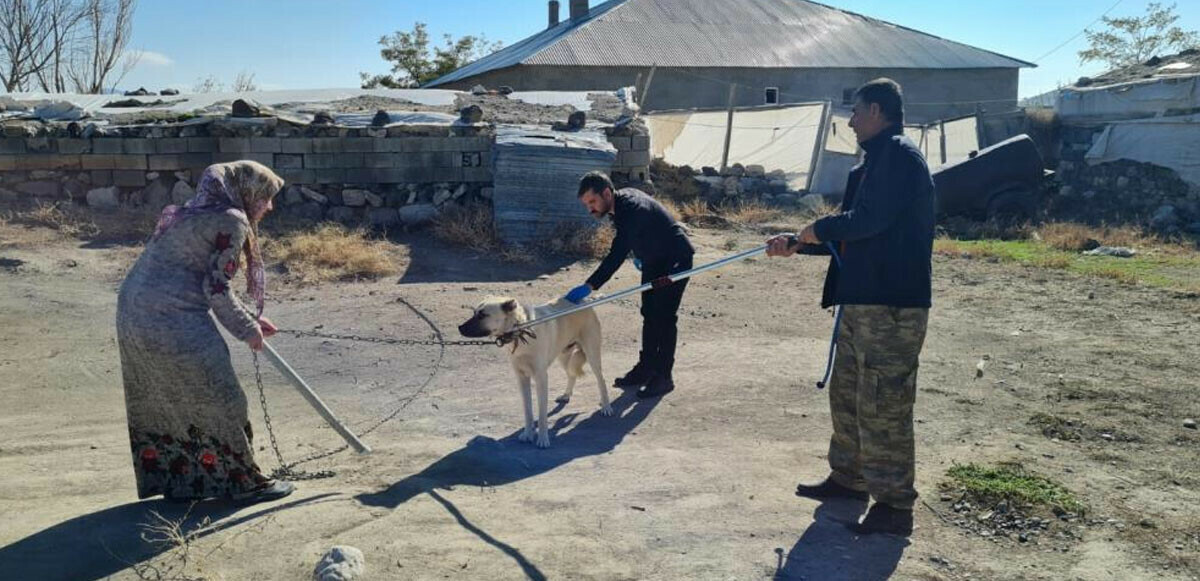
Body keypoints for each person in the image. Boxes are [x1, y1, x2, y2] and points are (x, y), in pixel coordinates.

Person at [765, 78, 935, 536]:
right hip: (861, 301)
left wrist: (815, 228)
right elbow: (852, 236)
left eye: (857, 111)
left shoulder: (900, 157)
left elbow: (870, 221)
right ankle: (849, 479)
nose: (852, 119)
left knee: (884, 401)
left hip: (891, 304)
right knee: (848, 394)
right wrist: (799, 245)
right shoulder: (872, 163)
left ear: (878, 111)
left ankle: (895, 504)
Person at [116, 160, 295, 504]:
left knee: (168, 400)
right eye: (266, 197)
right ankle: (244, 483)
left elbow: (203, 279)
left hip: (132, 314)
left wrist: (251, 320)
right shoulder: (231, 219)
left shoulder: (192, 212)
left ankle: (182, 484)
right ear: (248, 192)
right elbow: (215, 288)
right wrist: (247, 329)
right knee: (222, 397)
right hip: (170, 320)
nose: (269, 206)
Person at [566, 171, 694, 398]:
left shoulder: (631, 209)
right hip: (655, 260)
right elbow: (642, 233)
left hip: (675, 259)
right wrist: (642, 254)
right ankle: (646, 368)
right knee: (649, 313)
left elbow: (617, 253)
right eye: (586, 204)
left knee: (664, 318)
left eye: (592, 202)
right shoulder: (620, 205)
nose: (590, 209)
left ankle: (664, 377)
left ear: (606, 193)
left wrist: (590, 285)